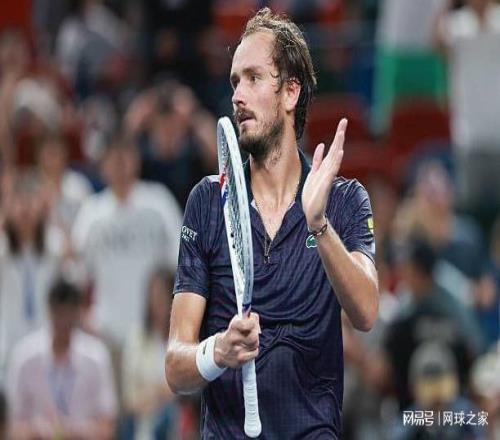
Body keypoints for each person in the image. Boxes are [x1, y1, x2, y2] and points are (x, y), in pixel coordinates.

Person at [166, 8, 379, 439]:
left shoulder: (343, 200)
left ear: (290, 92)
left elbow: (366, 312)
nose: (237, 96)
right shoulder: (207, 202)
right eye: (234, 82)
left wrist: (318, 225)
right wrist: (218, 351)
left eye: (253, 78)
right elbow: (175, 365)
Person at [6, 278, 117, 439]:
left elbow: (108, 426)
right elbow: (11, 427)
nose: (63, 322)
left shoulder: (96, 357)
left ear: (78, 314)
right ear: (49, 311)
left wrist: (78, 430)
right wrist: (36, 429)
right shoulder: (24, 357)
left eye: (69, 315)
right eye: (59, 315)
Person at [122, 268, 178, 439]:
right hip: (147, 426)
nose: (156, 304)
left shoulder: (186, 338)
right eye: (153, 297)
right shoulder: (137, 338)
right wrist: (161, 393)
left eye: (161, 297)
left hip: (182, 424)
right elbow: (129, 401)